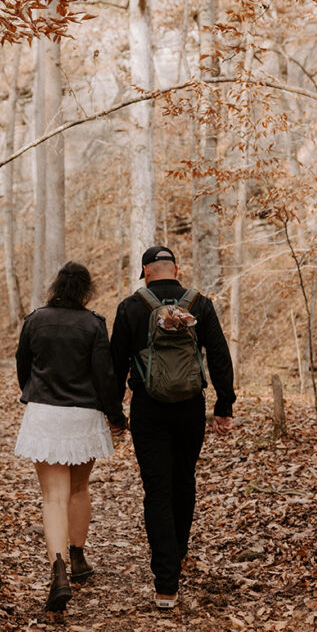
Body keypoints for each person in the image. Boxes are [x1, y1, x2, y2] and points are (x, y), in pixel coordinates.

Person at [110, 245, 235, 608]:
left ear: (146, 272)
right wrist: (223, 405)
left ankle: (166, 584)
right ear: (175, 269)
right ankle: (178, 551)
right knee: (184, 480)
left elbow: (115, 364)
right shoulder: (200, 304)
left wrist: (115, 414)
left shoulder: (131, 308)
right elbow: (219, 355)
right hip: (190, 408)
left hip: (149, 408)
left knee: (157, 489)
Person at [15, 262, 128, 611]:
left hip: (45, 413)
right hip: (83, 415)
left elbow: (23, 364)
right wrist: (116, 416)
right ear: (86, 290)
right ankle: (78, 558)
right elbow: (104, 374)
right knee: (79, 489)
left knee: (53, 497)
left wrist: (35, 392)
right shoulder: (93, 324)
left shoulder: (35, 319)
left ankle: (58, 571)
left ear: (55, 285)